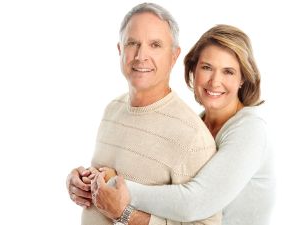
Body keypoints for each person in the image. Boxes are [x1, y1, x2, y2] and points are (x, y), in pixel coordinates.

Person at [90, 24, 276, 225]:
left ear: (243, 79)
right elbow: (158, 185)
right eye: (207, 68)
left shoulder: (250, 130)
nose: (215, 82)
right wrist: (86, 180)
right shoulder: (196, 127)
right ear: (193, 70)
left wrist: (115, 187)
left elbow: (195, 203)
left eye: (228, 72)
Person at [66, 3, 222, 225]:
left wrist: (125, 214)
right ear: (120, 50)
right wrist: (80, 185)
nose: (141, 55)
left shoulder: (192, 137)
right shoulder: (112, 109)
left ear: (174, 56)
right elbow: (109, 183)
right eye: (132, 43)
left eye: (155, 45)